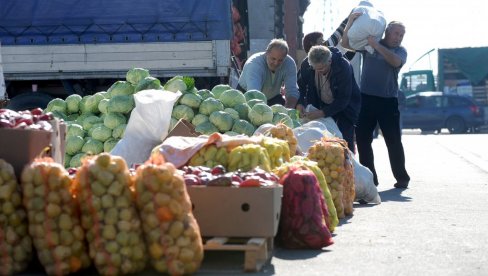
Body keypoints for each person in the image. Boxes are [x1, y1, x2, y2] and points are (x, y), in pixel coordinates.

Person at [341, 16, 410, 189]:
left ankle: (402, 178)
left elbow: (395, 62)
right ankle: (370, 180)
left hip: (388, 101)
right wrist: (350, 22)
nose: (398, 37)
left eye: (402, 35)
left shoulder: (400, 51)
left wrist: (376, 46)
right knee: (363, 140)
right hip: (366, 99)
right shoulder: (369, 44)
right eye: (396, 33)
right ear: (387, 32)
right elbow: (346, 43)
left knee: (393, 140)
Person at [296, 45, 361, 153]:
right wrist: (300, 103)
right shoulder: (306, 65)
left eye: (322, 68)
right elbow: (300, 87)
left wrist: (322, 113)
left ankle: (349, 166)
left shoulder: (343, 67)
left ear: (330, 61)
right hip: (320, 104)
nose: (319, 71)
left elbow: (343, 99)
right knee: (320, 139)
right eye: (316, 68)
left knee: (344, 142)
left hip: (345, 108)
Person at [237, 38, 299, 107]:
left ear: (285, 57)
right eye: (273, 59)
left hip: (273, 97)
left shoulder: (289, 63)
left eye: (280, 60)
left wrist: (289, 109)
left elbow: (292, 90)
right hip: (247, 95)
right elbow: (253, 93)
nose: (276, 63)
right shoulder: (255, 64)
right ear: (266, 53)